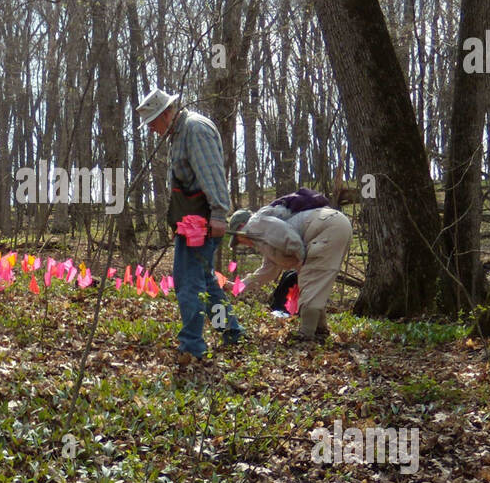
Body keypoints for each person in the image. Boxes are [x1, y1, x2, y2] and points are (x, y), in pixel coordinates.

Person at [137, 87, 243, 363]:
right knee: (205, 281)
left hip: (203, 224)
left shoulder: (195, 130)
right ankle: (230, 330)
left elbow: (211, 174)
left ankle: (192, 346)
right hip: (191, 223)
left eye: (152, 123)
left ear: (167, 114)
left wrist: (219, 213)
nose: (151, 130)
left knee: (188, 282)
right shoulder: (179, 133)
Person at [227, 200, 352, 342]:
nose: (242, 244)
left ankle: (306, 335)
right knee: (315, 284)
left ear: (242, 227)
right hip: (335, 225)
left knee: (310, 280)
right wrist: (237, 287)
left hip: (328, 227)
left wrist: (300, 257)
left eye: (238, 239)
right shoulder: (264, 237)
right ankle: (320, 330)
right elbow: (267, 272)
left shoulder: (255, 224)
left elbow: (289, 236)